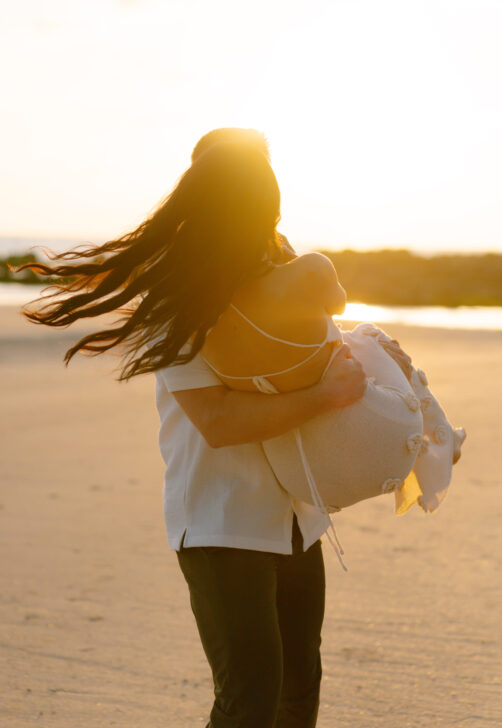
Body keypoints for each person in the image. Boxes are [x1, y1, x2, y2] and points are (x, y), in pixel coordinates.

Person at [19, 129, 424, 728]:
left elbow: (319, 351)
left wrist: (378, 364)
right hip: (222, 521)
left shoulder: (282, 273)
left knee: (297, 688)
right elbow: (218, 421)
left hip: (295, 516)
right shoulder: (178, 301)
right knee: (250, 698)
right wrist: (325, 394)